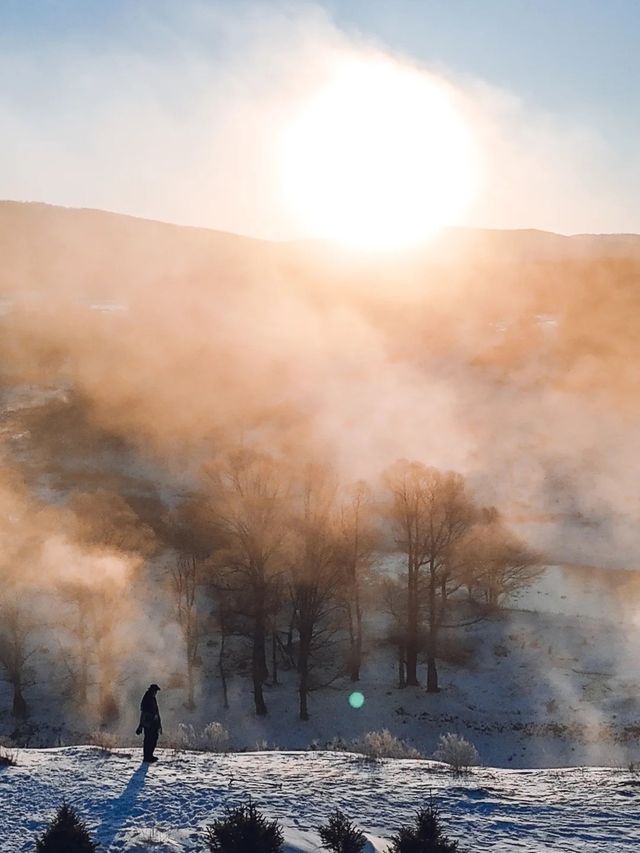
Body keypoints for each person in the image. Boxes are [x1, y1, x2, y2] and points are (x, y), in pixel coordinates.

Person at [136, 683, 162, 763]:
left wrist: (159, 724)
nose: (156, 692)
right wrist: (141, 724)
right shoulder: (147, 698)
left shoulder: (152, 698)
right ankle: (147, 757)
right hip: (149, 723)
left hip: (153, 723)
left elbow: (156, 712)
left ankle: (149, 755)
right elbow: (144, 712)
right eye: (155, 691)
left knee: (153, 739)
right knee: (149, 740)